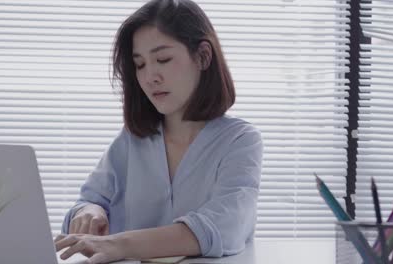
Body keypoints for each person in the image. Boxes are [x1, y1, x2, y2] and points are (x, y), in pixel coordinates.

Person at [54, 0, 263, 263]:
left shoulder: (240, 142)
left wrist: (121, 244)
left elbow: (225, 225)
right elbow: (87, 202)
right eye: (139, 64)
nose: (150, 76)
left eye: (162, 59)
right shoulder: (132, 141)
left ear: (203, 56)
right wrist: (90, 213)